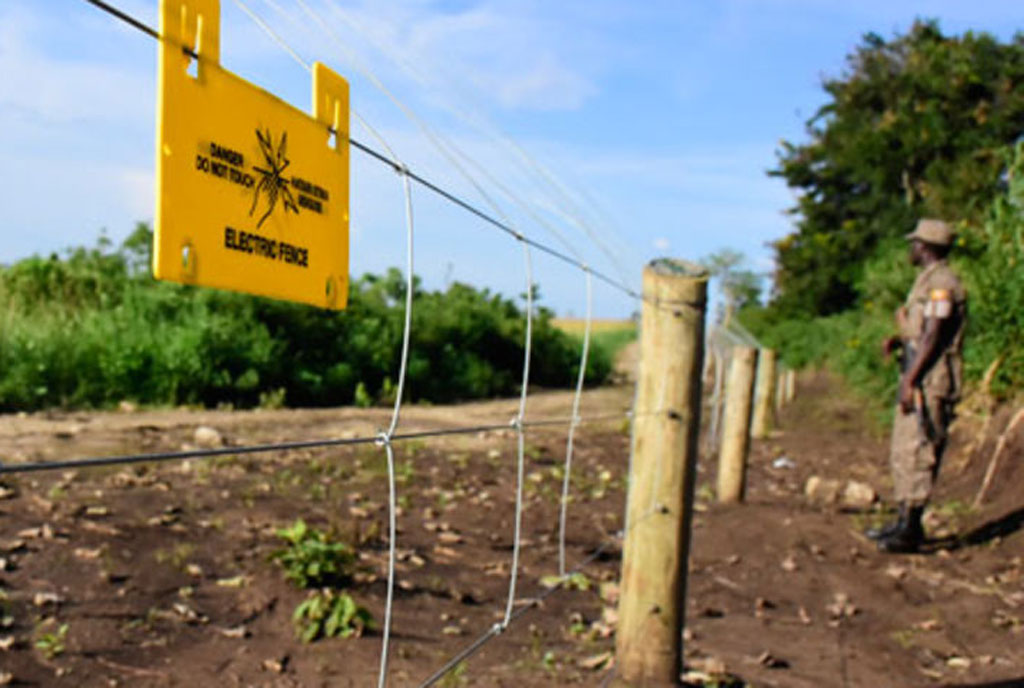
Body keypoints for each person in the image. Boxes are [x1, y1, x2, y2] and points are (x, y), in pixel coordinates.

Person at [867, 219, 967, 553]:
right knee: (904, 446)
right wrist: (900, 340)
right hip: (918, 368)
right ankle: (902, 522)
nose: (911, 249)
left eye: (915, 244)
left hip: (930, 376)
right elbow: (923, 331)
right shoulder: (927, 281)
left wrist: (912, 379)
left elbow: (935, 334)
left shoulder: (943, 283)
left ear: (924, 246)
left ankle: (911, 527)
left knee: (919, 448)